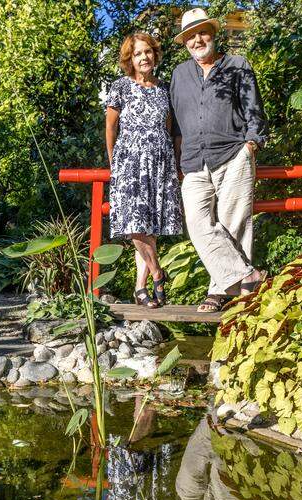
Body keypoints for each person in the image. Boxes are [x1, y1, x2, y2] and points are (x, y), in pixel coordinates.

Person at [169, 8, 268, 313]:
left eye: (202, 33)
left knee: (232, 222)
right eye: (190, 36)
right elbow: (174, 120)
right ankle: (247, 277)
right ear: (185, 42)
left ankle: (219, 291)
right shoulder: (179, 74)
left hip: (233, 153)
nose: (197, 40)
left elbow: (254, 109)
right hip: (193, 161)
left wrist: (252, 143)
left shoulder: (237, 66)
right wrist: (176, 159)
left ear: (212, 34)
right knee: (198, 224)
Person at [105, 32, 182, 309]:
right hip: (129, 164)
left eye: (147, 51)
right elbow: (111, 128)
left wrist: (176, 161)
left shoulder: (165, 89)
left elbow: (172, 129)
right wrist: (114, 163)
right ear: (130, 59)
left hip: (160, 162)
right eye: (138, 53)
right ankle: (159, 273)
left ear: (155, 54)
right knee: (134, 226)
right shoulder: (121, 87)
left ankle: (140, 287)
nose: (144, 57)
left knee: (149, 227)